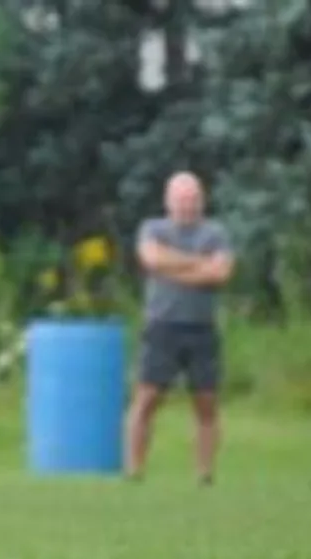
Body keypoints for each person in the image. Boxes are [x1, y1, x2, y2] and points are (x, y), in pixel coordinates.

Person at [126, 172, 234, 485]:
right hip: (162, 326)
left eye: (193, 199)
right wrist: (198, 265)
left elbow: (220, 273)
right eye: (181, 199)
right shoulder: (153, 229)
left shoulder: (216, 233)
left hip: (202, 329)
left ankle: (205, 473)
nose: (187, 205)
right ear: (168, 201)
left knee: (206, 403)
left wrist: (174, 269)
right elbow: (152, 260)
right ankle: (134, 469)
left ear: (202, 201)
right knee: (146, 399)